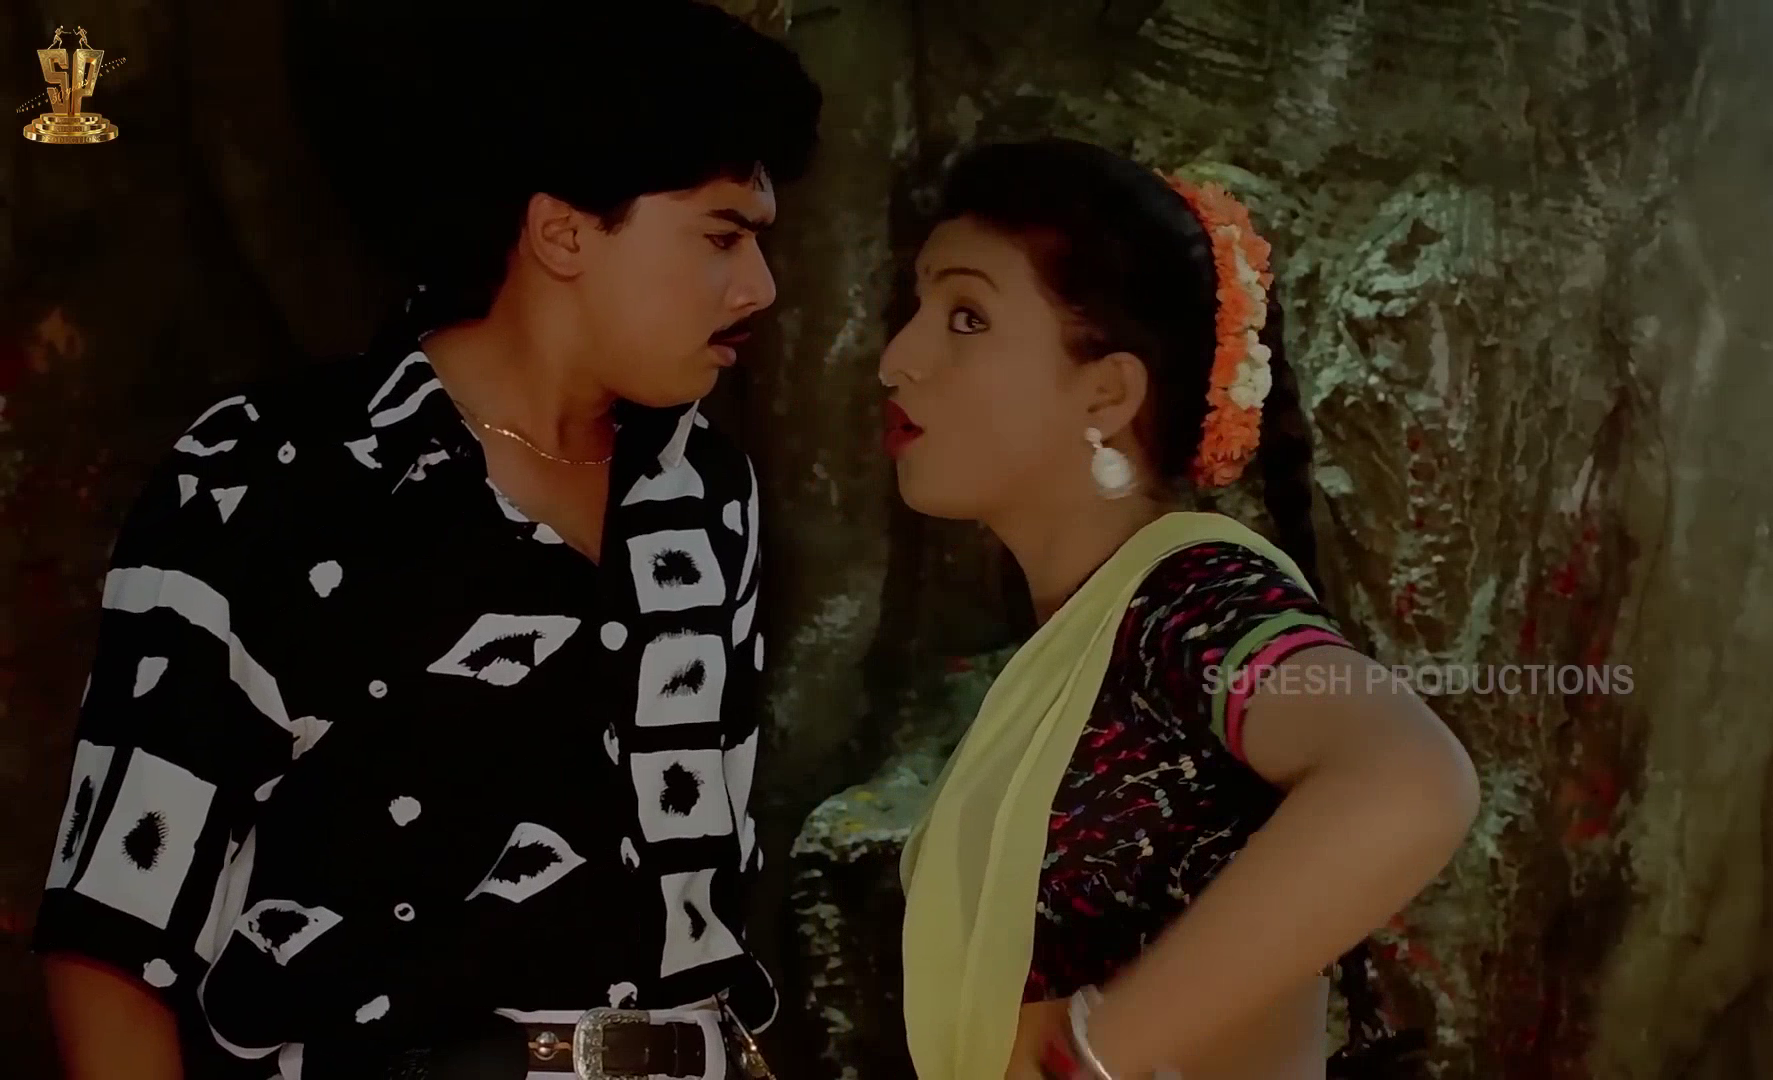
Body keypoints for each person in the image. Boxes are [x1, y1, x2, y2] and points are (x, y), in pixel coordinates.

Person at [32, 3, 820, 1078]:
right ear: (562, 232)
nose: (760, 286)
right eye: (722, 236)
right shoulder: (268, 475)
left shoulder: (709, 492)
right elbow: (112, 939)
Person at [883, 138, 1482, 1080]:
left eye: (966, 317)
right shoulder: (1091, 632)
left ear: (1107, 392)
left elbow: (1412, 781)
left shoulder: (1191, 599)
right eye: (916, 311)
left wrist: (1093, 1053)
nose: (898, 360)